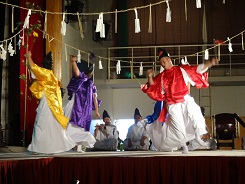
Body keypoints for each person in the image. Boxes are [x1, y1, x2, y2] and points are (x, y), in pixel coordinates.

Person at [142, 48, 219, 153]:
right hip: (173, 105)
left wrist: (210, 63)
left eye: (164, 61)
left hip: (185, 99)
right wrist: (150, 77)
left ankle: (199, 137)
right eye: (161, 62)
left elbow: (198, 69)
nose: (163, 64)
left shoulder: (181, 70)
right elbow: (153, 87)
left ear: (169, 60)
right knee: (179, 129)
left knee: (196, 112)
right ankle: (183, 145)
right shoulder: (161, 77)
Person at [26, 50, 75, 154]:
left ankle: (38, 147)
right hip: (53, 104)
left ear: (43, 65)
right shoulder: (52, 76)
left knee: (41, 124)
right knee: (52, 125)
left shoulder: (46, 74)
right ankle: (51, 147)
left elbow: (34, 69)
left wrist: (29, 57)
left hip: (47, 102)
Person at [63, 56, 101, 152]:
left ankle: (78, 147)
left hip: (85, 110)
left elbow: (95, 98)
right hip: (77, 106)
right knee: (72, 124)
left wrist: (97, 111)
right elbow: (77, 72)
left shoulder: (92, 85)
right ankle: (68, 144)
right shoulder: (82, 79)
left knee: (82, 127)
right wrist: (73, 62)